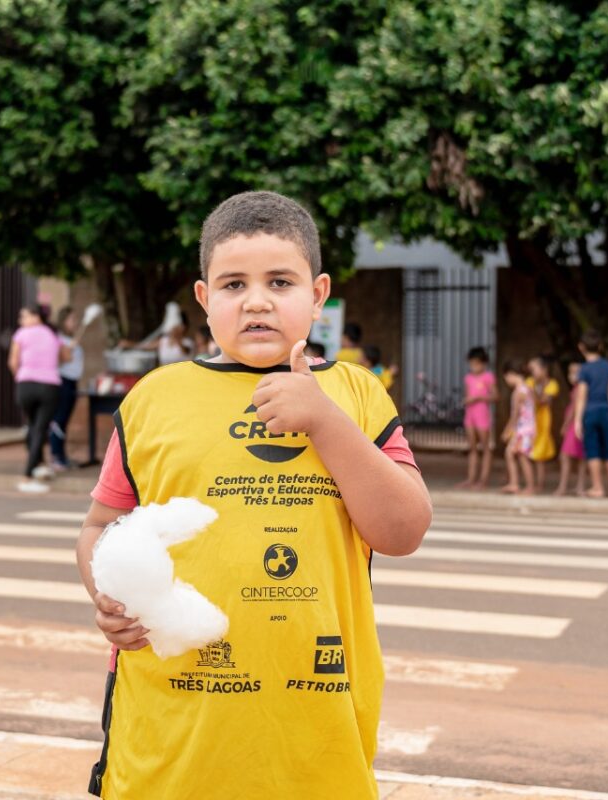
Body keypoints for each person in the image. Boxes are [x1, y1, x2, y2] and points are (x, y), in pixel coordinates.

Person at [74, 191, 431, 800]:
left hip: (316, 736)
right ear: (204, 297)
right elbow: (99, 527)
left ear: (317, 294)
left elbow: (403, 532)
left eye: (280, 282)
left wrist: (324, 419)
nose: (257, 301)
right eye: (234, 284)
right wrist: (105, 595)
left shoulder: (356, 394)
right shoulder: (153, 400)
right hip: (169, 740)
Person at [8, 305, 62, 493]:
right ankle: (28, 474)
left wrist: (21, 377)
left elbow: (13, 362)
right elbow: (64, 357)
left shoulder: (21, 334)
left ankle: (39, 465)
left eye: (23, 316)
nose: (20, 320)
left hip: (25, 385)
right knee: (39, 429)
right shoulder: (53, 334)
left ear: (36, 317)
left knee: (32, 427)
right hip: (49, 386)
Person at [574, 330, 608, 498]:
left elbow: (581, 396)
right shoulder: (607, 365)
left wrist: (578, 420)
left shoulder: (584, 369)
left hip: (590, 410)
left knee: (592, 450)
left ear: (581, 347)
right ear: (600, 346)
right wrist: (604, 401)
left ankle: (597, 487)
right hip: (604, 410)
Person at [48, 306, 85, 472]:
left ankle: (62, 456)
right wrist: (69, 347)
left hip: (72, 382)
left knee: (64, 421)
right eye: (72, 319)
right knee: (59, 419)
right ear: (63, 321)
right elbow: (60, 359)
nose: (75, 322)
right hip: (62, 382)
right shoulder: (59, 339)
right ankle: (56, 456)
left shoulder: (69, 339)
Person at [457, 346, 496, 489]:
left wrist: (479, 398)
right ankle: (471, 479)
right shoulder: (468, 378)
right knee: (472, 448)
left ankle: (483, 480)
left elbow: (495, 396)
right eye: (472, 364)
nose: (474, 367)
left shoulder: (488, 377)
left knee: (485, 448)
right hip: (470, 415)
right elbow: (468, 395)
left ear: (484, 363)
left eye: (476, 364)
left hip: (482, 415)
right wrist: (467, 400)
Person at [500, 360, 536, 494]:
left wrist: (507, 430)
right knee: (514, 454)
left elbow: (515, 414)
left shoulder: (518, 392)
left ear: (511, 374)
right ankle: (515, 483)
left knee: (519, 456)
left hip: (522, 430)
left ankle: (525, 486)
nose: (506, 381)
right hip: (528, 428)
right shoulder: (528, 388)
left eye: (506, 377)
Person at [554, 361, 587, 496]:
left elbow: (574, 409)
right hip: (579, 425)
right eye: (570, 372)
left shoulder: (579, 389)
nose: (571, 376)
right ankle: (580, 486)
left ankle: (563, 487)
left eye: (575, 372)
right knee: (581, 457)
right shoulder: (579, 388)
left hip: (574, 426)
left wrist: (565, 425)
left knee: (565, 456)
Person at [527, 356, 559, 492]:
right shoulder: (529, 382)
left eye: (534, 369)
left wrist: (532, 391)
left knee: (539, 456)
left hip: (542, 424)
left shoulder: (552, 384)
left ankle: (539, 485)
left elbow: (542, 401)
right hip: (528, 422)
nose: (531, 372)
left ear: (544, 369)